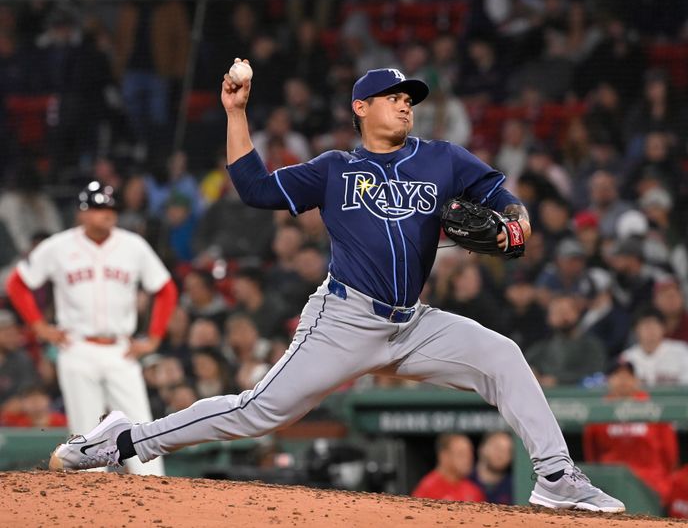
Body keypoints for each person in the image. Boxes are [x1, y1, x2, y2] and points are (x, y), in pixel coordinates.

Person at [47, 64, 623, 512]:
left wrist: (516, 219)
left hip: (414, 323)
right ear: (361, 108)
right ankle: (123, 441)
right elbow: (254, 188)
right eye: (395, 98)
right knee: (256, 412)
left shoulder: (443, 159)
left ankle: (555, 477)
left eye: (410, 100)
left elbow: (500, 193)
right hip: (345, 319)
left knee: (502, 354)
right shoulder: (333, 169)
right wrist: (236, 112)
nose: (405, 105)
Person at [6, 182, 177, 476]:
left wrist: (154, 337)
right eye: (98, 209)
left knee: (140, 426)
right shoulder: (59, 246)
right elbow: (18, 283)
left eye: (110, 208)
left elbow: (165, 289)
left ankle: (154, 490)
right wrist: (39, 326)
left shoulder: (133, 245)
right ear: (82, 214)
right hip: (78, 348)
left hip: (121, 349)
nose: (106, 214)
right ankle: (88, 507)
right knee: (86, 431)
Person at [583, 361, 678, 501]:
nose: (623, 380)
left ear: (636, 380)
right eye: (617, 375)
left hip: (650, 481)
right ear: (608, 380)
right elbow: (592, 454)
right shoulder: (600, 409)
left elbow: (670, 454)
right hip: (611, 482)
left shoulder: (652, 407)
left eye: (628, 375)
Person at [620, 307, 688, 386]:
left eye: (655, 325)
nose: (651, 330)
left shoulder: (680, 351)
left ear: (664, 328)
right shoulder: (627, 358)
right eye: (646, 326)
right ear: (636, 330)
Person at [412, 434, 486, 502]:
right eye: (461, 454)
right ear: (444, 456)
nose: (468, 459)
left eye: (470, 454)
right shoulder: (428, 489)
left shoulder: (474, 491)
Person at [469, 431, 514, 505]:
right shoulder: (466, 480)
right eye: (497, 448)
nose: (501, 454)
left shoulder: (514, 486)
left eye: (507, 451)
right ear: (482, 448)